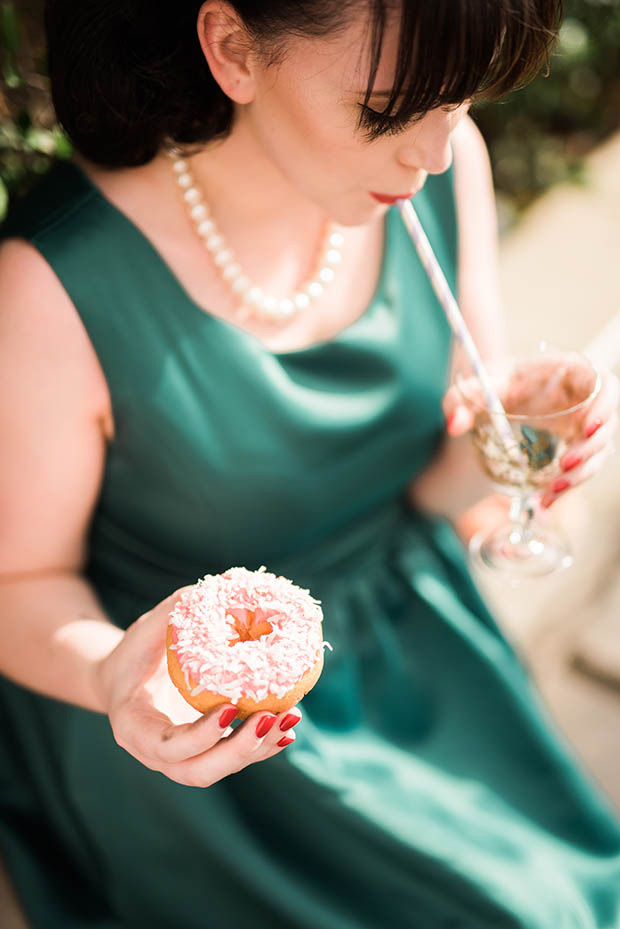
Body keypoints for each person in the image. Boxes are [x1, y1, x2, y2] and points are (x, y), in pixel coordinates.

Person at [1, 1, 619, 926]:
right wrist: (112, 676)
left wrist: (509, 448)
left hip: (418, 664)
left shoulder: (443, 175)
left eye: (463, 99)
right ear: (232, 49)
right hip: (203, 744)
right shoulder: (54, 285)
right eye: (389, 107)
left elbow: (427, 493)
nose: (438, 151)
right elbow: (17, 579)